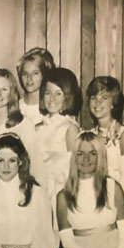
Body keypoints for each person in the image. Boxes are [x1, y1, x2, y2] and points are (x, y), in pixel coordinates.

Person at [82, 76, 124, 198]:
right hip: (92, 199)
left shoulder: (123, 135)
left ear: (113, 103)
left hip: (117, 200)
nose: (97, 103)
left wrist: (109, 201)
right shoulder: (89, 135)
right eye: (93, 98)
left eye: (104, 98)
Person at [36, 67, 81, 203]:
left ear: (68, 97)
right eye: (48, 93)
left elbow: (75, 168)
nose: (52, 99)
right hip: (39, 190)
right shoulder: (37, 128)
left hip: (59, 191)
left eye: (58, 94)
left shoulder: (69, 128)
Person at [16, 47, 55, 127]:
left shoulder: (51, 107)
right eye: (25, 73)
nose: (29, 78)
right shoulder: (16, 107)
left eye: (35, 73)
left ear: (44, 75)